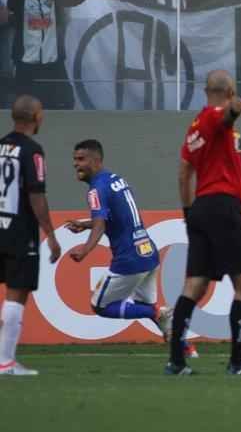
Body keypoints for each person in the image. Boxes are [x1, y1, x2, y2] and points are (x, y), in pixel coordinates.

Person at [167, 70, 241, 376]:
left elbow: (184, 172)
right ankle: (238, 362)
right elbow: (226, 116)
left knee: (195, 285)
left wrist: (188, 213)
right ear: (230, 90)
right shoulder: (215, 118)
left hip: (200, 208)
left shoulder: (194, 127)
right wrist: (236, 108)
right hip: (223, 207)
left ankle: (176, 361)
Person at [66, 139, 177, 340]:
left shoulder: (96, 189)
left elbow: (100, 224)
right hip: (147, 252)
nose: (76, 164)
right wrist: (85, 225)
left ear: (96, 160)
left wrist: (85, 249)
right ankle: (185, 348)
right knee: (144, 307)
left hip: (129, 258)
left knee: (100, 306)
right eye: (75, 159)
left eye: (81, 159)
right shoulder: (115, 179)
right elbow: (115, 217)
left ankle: (158, 312)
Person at [0, 95, 60, 376]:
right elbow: (37, 195)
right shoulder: (32, 151)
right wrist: (51, 234)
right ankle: (5, 362)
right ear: (36, 117)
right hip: (20, 231)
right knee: (17, 291)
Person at [7, 0, 85, 110]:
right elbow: (12, 2)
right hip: (26, 66)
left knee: (64, 105)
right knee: (26, 110)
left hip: (53, 65)